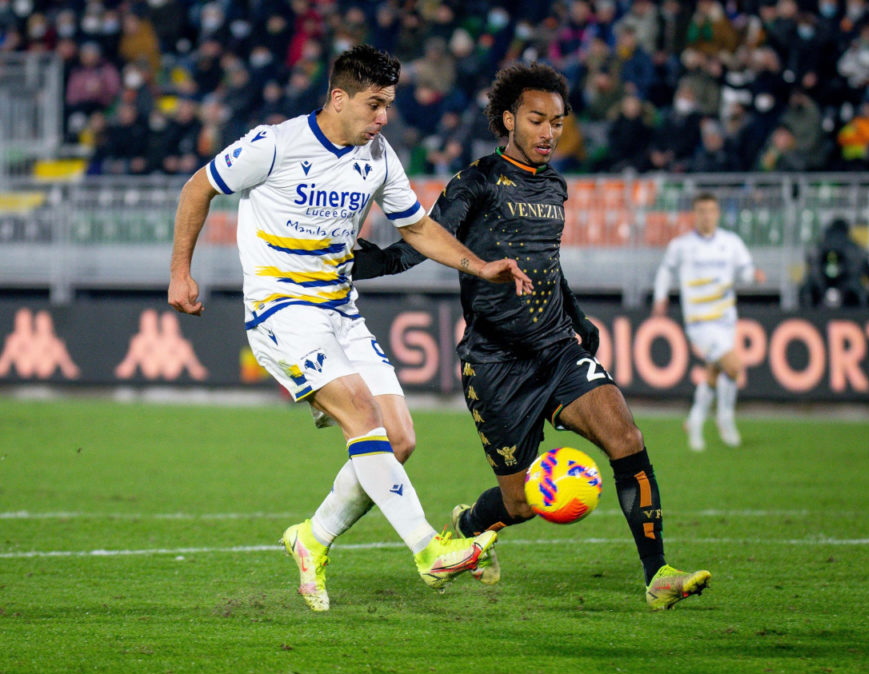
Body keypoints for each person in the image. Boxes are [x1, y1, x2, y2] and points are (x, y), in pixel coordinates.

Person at [167, 45, 533, 612]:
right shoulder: (275, 144)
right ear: (338, 98)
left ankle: (311, 538)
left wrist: (481, 266)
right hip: (281, 309)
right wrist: (180, 273)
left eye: (388, 104)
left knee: (400, 437)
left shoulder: (378, 156)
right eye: (375, 104)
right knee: (362, 417)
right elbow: (197, 187)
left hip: (341, 309)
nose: (384, 116)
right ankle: (427, 549)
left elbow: (415, 229)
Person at [352, 63, 710, 610]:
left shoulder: (555, 186)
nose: (549, 133)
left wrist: (577, 315)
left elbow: (548, 263)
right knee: (519, 505)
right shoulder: (476, 180)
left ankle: (657, 572)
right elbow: (424, 240)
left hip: (556, 349)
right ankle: (470, 523)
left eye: (558, 122)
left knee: (627, 439)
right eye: (538, 120)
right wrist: (367, 263)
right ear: (508, 119)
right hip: (495, 364)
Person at [653, 192, 766, 451]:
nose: (706, 216)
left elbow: (745, 269)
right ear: (695, 214)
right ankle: (725, 418)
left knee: (714, 371)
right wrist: (660, 297)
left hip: (726, 320)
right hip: (700, 322)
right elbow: (665, 271)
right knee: (734, 366)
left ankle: (695, 419)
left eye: (711, 211)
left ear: (717, 213)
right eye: (701, 211)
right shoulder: (681, 245)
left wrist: (754, 275)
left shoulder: (731, 242)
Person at [799, 217, 869, 308]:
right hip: (850, 298)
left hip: (820, 296)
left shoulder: (817, 248)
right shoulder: (856, 249)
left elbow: (810, 266)